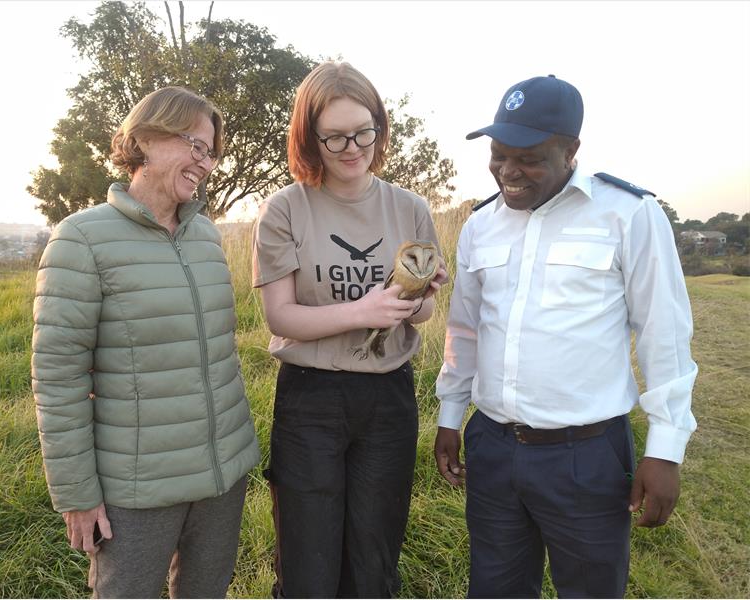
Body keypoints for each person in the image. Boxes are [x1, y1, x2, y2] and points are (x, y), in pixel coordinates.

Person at [434, 75, 697, 598]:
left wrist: (665, 450)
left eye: (528, 157)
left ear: (571, 149)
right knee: (494, 588)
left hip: (587, 455)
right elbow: (464, 330)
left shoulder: (628, 214)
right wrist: (449, 415)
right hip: (493, 447)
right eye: (498, 153)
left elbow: (663, 334)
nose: (508, 171)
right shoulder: (480, 225)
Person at [31, 86, 260, 598]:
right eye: (194, 146)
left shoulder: (207, 237)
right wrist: (77, 494)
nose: (205, 162)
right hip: (137, 489)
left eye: (210, 152)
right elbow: (58, 378)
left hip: (222, 476)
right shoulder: (80, 239)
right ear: (147, 138)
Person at [252, 61, 447, 598]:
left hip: (388, 397)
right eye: (334, 136)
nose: (351, 147)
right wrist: (363, 311)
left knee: (374, 557)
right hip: (311, 401)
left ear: (380, 127)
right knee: (308, 563)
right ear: (308, 137)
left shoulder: (410, 208)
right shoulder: (285, 209)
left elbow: (421, 317)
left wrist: (418, 299)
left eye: (363, 131)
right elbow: (281, 318)